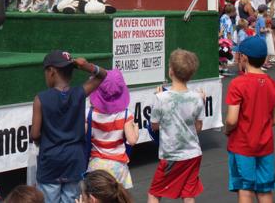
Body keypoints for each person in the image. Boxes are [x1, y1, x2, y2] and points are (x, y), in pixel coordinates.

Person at [31, 51, 107, 202]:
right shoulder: (79, 93)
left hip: (50, 161)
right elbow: (103, 75)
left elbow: (34, 134)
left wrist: (41, 141)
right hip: (74, 159)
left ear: (51, 72)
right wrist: (86, 66)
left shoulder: (40, 99)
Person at [225, 37, 275, 202]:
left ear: (244, 57)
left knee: (245, 188)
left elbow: (232, 120)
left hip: (242, 144)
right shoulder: (273, 84)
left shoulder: (238, 84)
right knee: (265, 189)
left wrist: (228, 130)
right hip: (265, 145)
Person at [147, 49, 205, 202]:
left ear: (170, 71)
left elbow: (154, 126)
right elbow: (198, 128)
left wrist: (157, 99)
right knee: (188, 193)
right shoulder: (198, 98)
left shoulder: (160, 98)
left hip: (171, 155)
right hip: (193, 153)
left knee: (154, 192)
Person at [86, 69, 138, 189]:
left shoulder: (89, 114)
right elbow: (132, 141)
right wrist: (136, 128)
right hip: (118, 165)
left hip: (96, 164)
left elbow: (82, 135)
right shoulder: (125, 115)